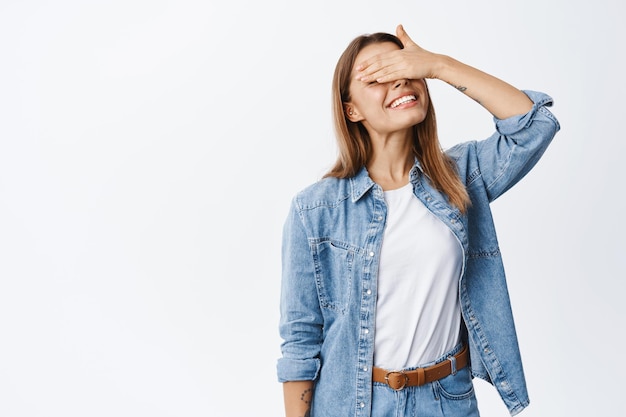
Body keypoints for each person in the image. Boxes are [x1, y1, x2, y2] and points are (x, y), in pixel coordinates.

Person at [277, 24, 559, 417]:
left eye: (406, 70)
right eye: (378, 76)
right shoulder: (315, 210)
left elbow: (534, 126)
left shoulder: (460, 177)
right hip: (355, 404)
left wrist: (439, 65)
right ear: (351, 109)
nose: (399, 81)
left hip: (446, 400)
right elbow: (301, 338)